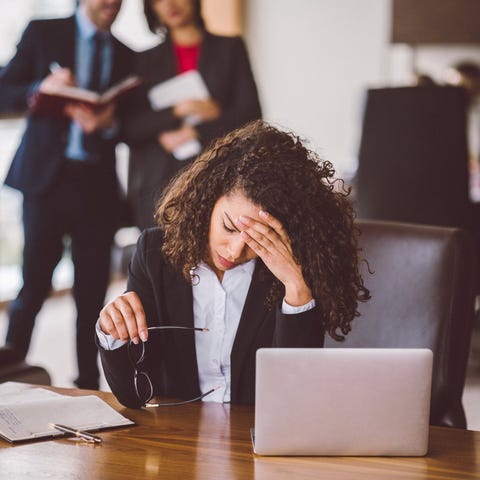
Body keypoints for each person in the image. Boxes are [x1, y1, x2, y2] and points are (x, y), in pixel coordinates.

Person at [97, 120, 370, 408]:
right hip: (178, 439)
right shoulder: (155, 254)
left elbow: (294, 400)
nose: (236, 250)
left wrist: (295, 287)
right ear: (208, 199)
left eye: (257, 238)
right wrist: (112, 333)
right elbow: (134, 395)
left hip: (254, 441)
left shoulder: (290, 269)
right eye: (229, 226)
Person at [0, 0, 134, 389]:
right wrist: (38, 89)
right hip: (46, 183)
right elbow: (4, 89)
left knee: (93, 291)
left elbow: (131, 125)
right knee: (34, 283)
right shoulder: (44, 32)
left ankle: (88, 385)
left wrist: (109, 123)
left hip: (97, 187)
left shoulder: (126, 54)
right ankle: (8, 373)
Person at [124, 0, 262, 230]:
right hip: (159, 185)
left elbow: (251, 116)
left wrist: (196, 132)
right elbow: (130, 128)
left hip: (219, 178)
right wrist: (177, 111)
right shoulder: (143, 60)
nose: (170, 4)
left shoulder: (230, 48)